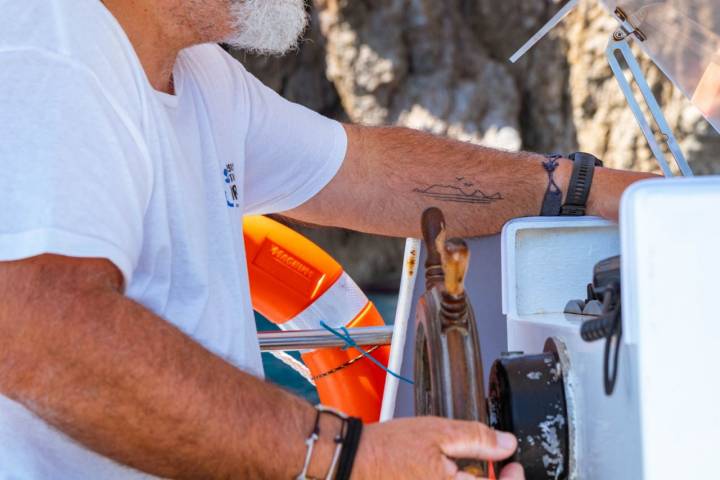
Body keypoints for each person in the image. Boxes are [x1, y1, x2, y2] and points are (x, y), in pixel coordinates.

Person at [0, 0, 655, 479]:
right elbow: (35, 328)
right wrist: (344, 455)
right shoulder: (49, 44)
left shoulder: (197, 76)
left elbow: (367, 172)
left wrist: (586, 189)